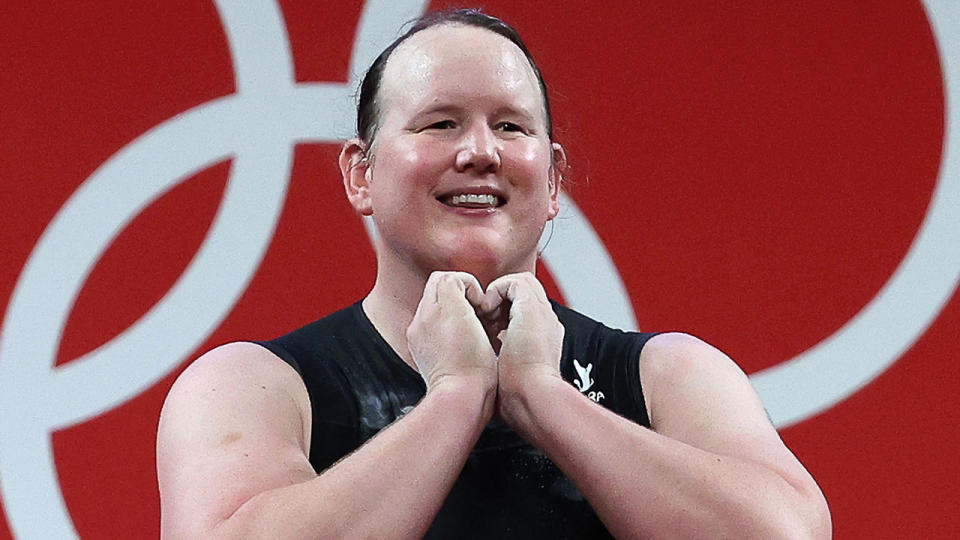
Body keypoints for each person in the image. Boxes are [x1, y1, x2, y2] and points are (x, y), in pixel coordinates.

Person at [157, 9, 831, 539]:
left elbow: (788, 533)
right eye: (441, 123)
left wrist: (544, 397)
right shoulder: (254, 387)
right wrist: (455, 397)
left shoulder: (670, 377)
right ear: (361, 174)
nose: (480, 152)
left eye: (510, 127)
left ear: (554, 179)